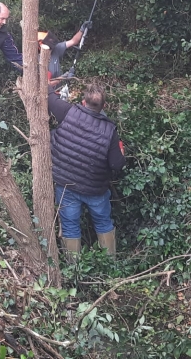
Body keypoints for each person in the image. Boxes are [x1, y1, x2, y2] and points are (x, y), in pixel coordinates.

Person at [48, 83, 124, 257]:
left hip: (66, 185)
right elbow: (116, 164)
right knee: (103, 223)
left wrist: (50, 83)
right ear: (104, 106)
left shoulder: (67, 111)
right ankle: (109, 265)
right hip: (95, 189)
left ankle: (74, 270)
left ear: (83, 102)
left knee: (69, 225)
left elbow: (49, 97)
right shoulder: (110, 131)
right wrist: (121, 152)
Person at [38, 20, 91, 85]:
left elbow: (73, 41)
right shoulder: (38, 61)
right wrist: (63, 77)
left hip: (59, 91)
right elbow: (46, 85)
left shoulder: (55, 49)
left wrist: (82, 30)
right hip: (48, 94)